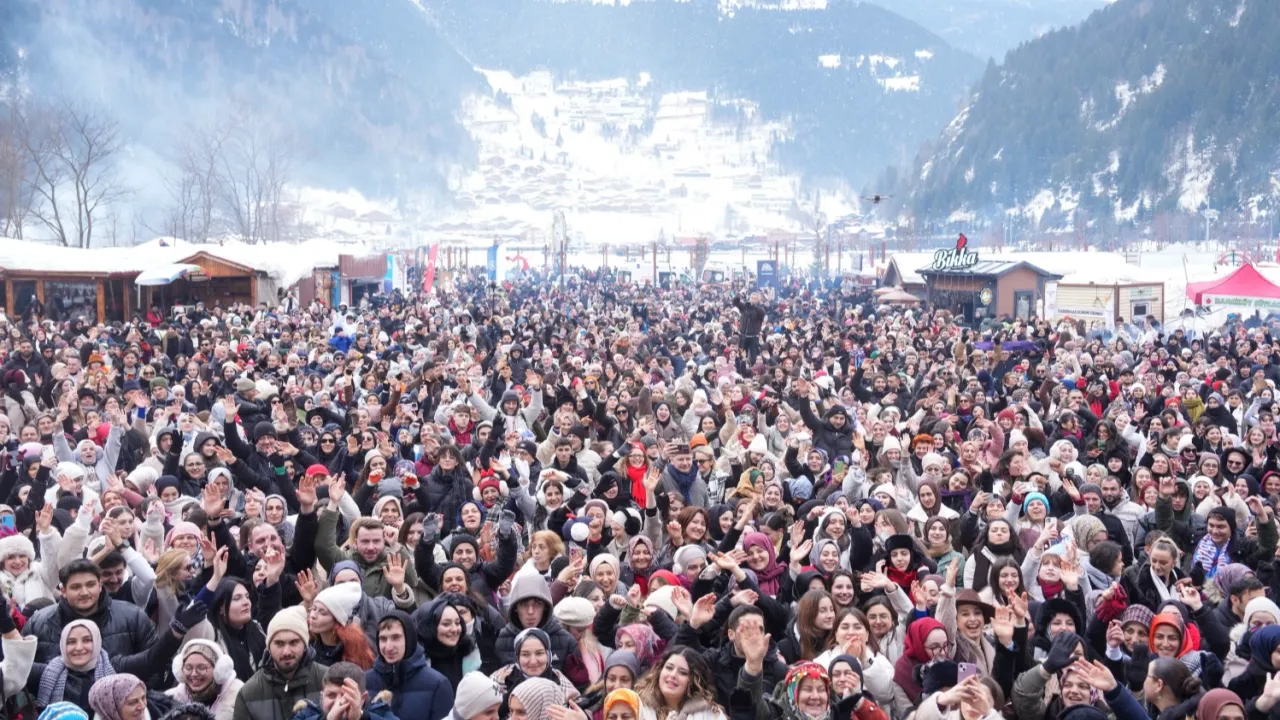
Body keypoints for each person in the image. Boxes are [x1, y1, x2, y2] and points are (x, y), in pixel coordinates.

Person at [232, 607, 327, 720]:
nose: (286, 652)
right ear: (268, 647)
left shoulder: (326, 680)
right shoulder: (248, 694)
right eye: (279, 643)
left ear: (305, 645)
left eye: (294, 642)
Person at [365, 610, 454, 720]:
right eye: (383, 639)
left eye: (395, 638)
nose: (388, 647)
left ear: (409, 639)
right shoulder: (366, 681)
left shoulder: (438, 684)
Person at [165, 640, 245, 720]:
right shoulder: (169, 700)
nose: (194, 674)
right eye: (188, 668)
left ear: (218, 670)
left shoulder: (239, 699)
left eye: (201, 667)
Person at [288, 662, 397, 720]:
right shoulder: (305, 715)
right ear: (322, 696)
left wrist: (360, 718)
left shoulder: (382, 714)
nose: (338, 702)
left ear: (362, 698)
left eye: (347, 695)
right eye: (331, 695)